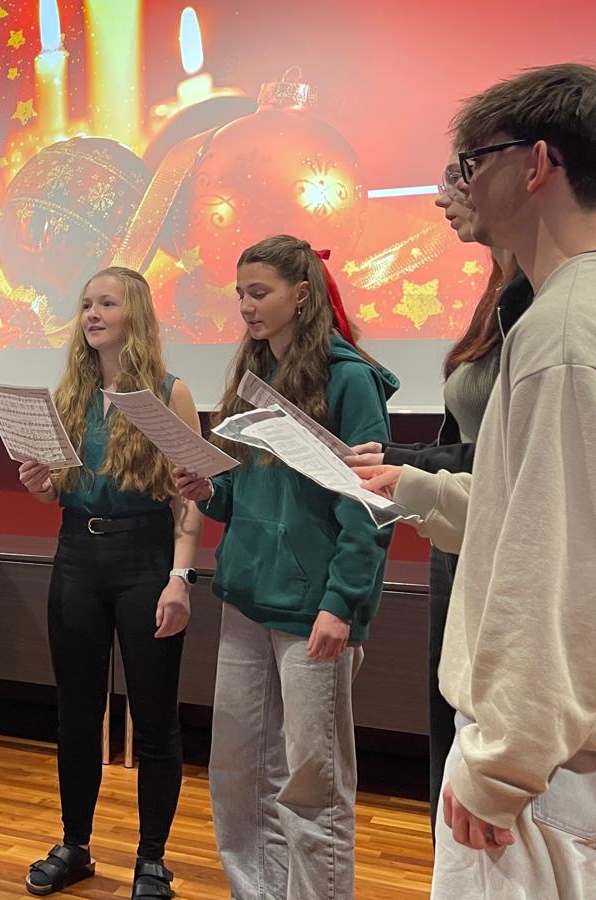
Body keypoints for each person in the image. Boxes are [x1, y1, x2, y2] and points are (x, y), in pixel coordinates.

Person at [358, 63, 596, 898]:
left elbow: (570, 573)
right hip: (579, 749)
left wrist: (501, 764)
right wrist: (415, 488)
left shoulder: (572, 328)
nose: (460, 184)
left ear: (537, 163)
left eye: (472, 162)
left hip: (554, 760)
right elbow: (537, 515)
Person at [177, 235, 396, 900]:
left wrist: (342, 601)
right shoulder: (252, 376)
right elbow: (239, 493)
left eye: (259, 292)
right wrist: (205, 487)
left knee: (312, 786)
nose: (246, 306)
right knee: (239, 775)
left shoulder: (349, 378)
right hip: (246, 597)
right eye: (240, 294)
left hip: (313, 611)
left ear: (301, 294)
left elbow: (370, 502)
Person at [341, 162, 530, 831]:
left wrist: (402, 463)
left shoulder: (537, 301)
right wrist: (398, 459)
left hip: (501, 543)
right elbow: (467, 443)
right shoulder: (499, 290)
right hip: (459, 534)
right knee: (449, 724)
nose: (441, 196)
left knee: (479, 737)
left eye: (459, 175)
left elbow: (512, 464)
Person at [18, 266, 201, 900]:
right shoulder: (69, 394)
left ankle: (152, 861)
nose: (93, 315)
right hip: (76, 554)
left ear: (136, 315)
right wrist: (40, 486)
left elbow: (188, 498)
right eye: (86, 304)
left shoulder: (171, 393)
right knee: (76, 713)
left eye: (107, 304)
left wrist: (180, 578)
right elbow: (56, 493)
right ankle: (75, 845)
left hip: (146, 558)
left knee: (154, 718)